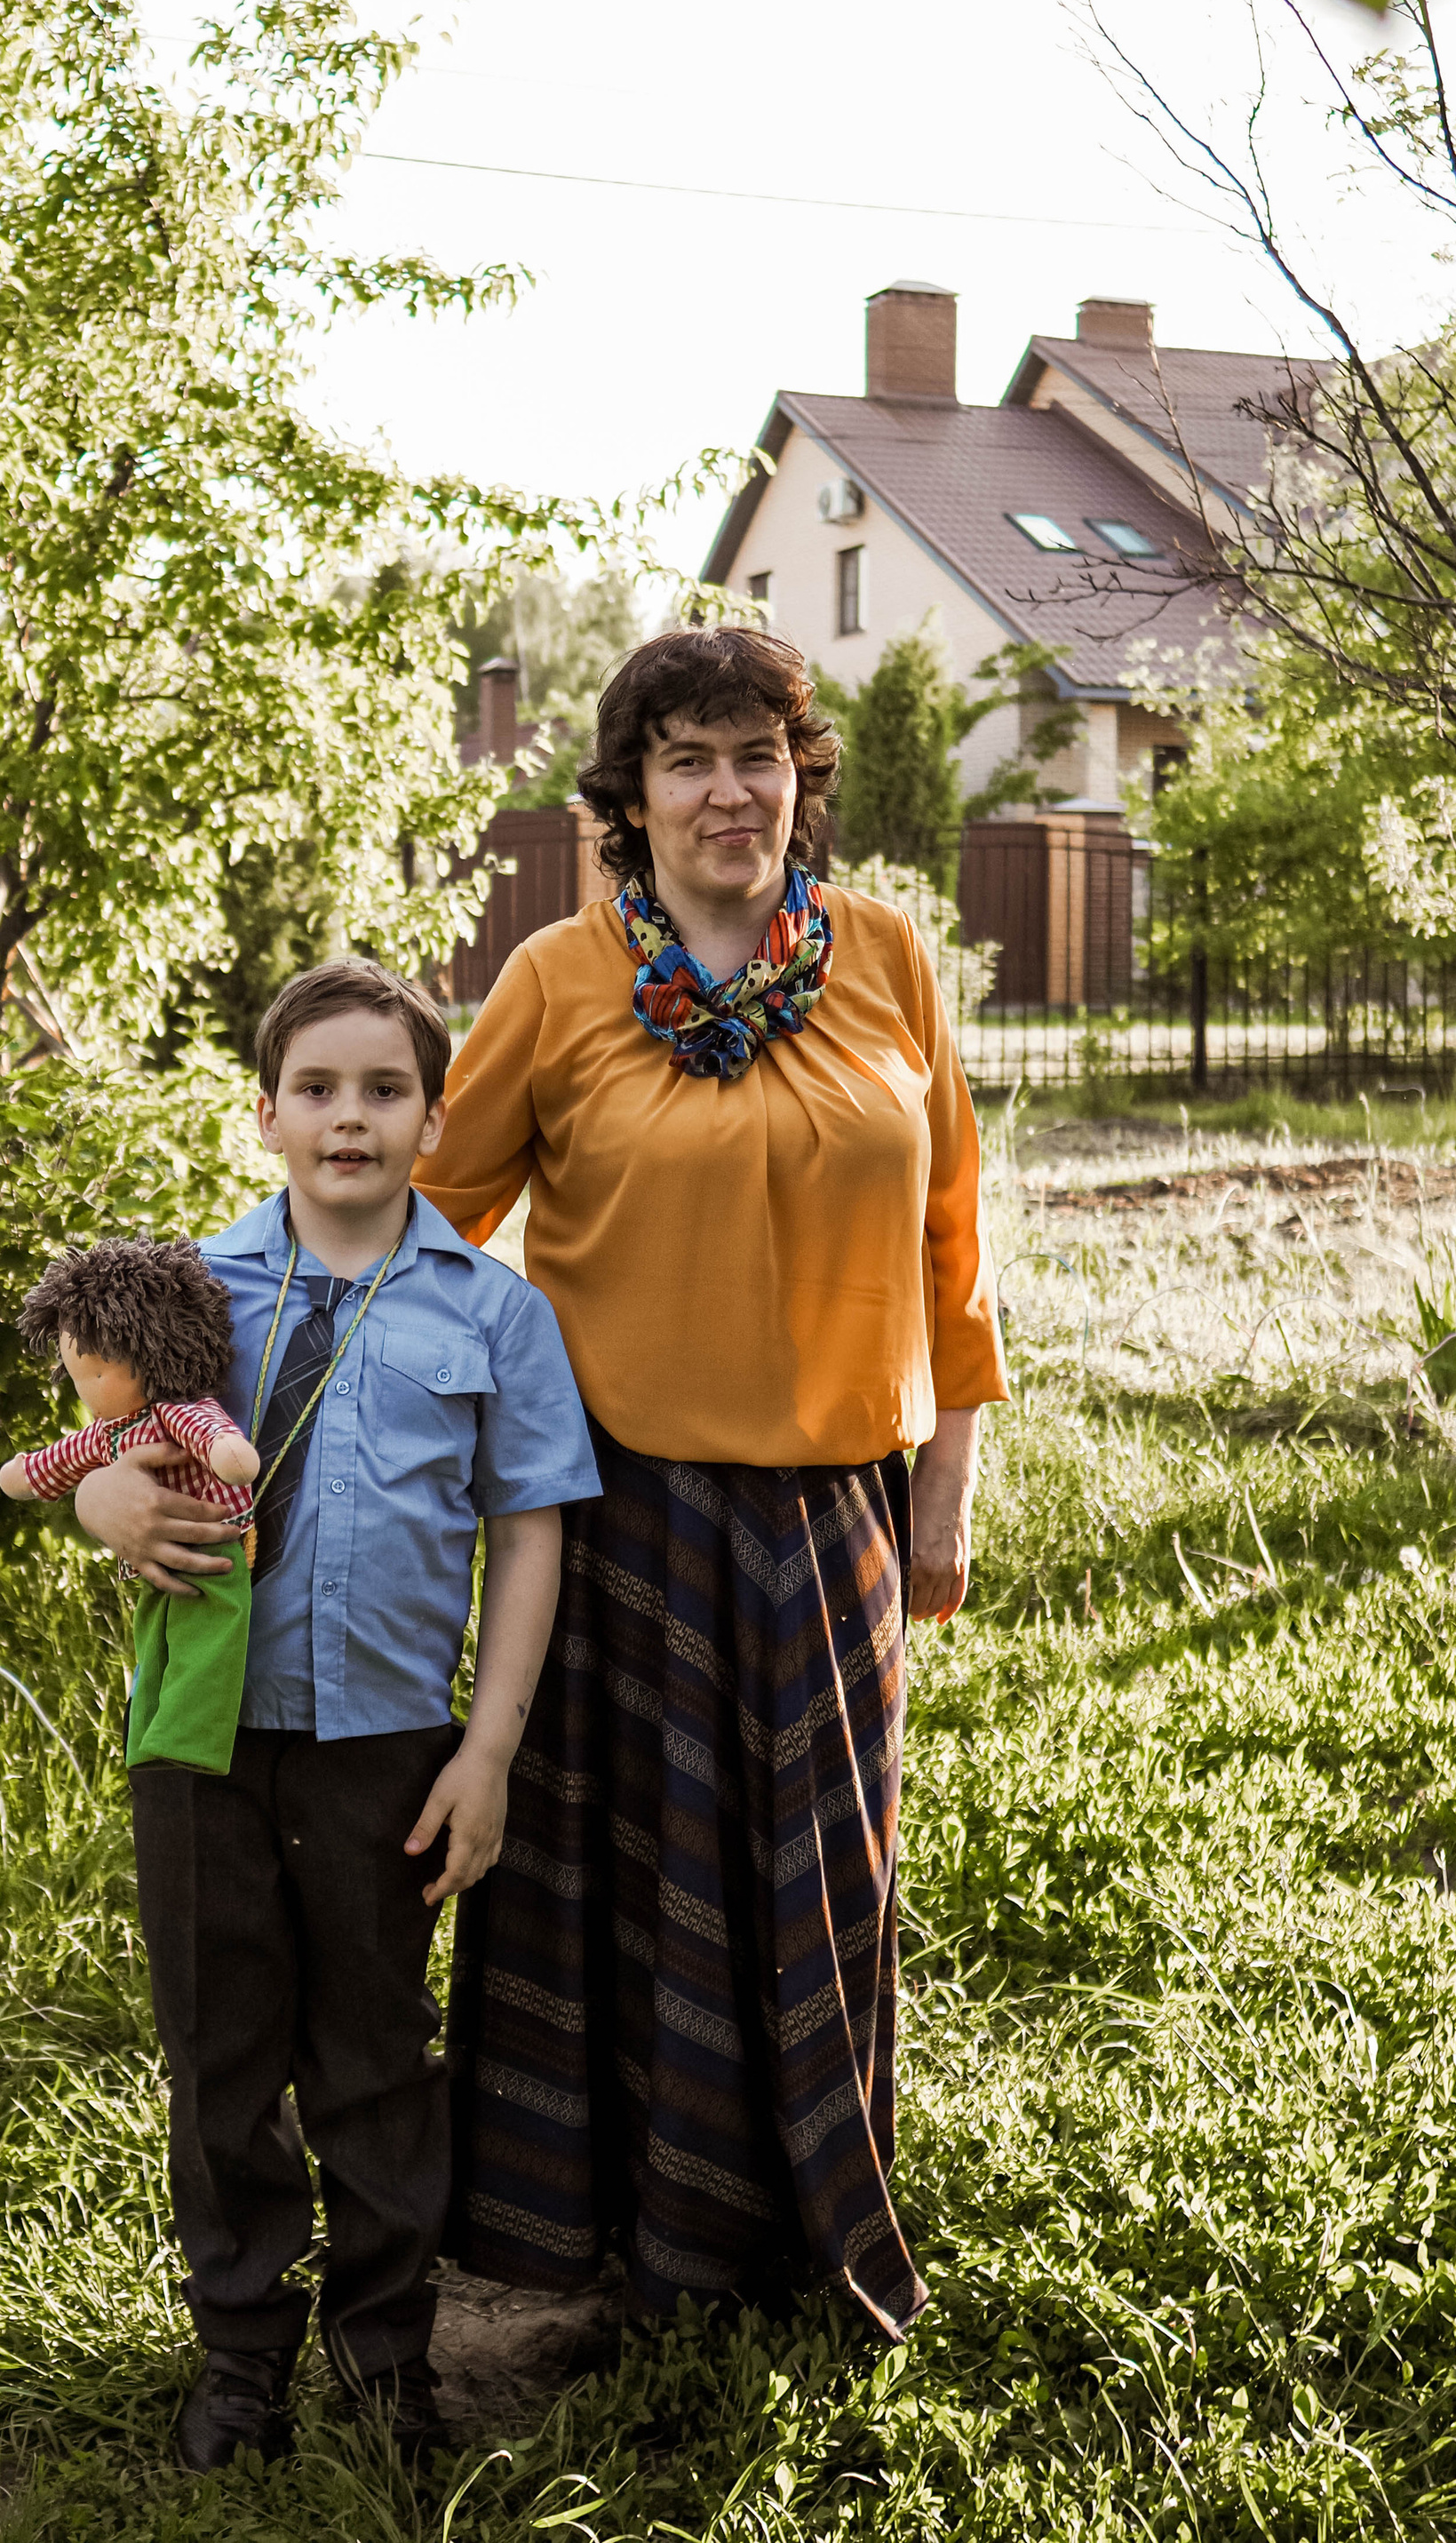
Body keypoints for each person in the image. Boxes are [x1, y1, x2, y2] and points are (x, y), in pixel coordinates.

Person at [417, 623, 1006, 2338]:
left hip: (838, 1518)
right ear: (632, 795)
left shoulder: (889, 960)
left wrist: (949, 1480)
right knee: (625, 1897)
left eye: (759, 752)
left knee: (815, 1888)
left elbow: (953, 1239)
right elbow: (427, 1217)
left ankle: (797, 2243)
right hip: (615, 1523)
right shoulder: (557, 979)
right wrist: (245, 1381)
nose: (729, 788)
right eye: (688, 757)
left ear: (801, 781)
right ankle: (608, 2256)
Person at [73, 959, 600, 2471]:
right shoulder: (185, 1295)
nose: (348, 1115)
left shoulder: (495, 1314)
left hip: (389, 1748)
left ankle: (385, 2355)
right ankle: (241, 2353)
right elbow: (91, 1445)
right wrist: (108, 1494)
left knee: (375, 2053)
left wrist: (486, 1746)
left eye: (383, 1089)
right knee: (221, 2052)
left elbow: (531, 1533)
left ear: (434, 1120)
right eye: (318, 1087)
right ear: (265, 1116)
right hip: (200, 1744)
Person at [0, 1235, 261, 1774]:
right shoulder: (107, 1433)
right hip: (152, 1558)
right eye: (81, 1376)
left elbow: (220, 1442)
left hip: (215, 1543)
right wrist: (25, 1476)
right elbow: (49, 1465)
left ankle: (190, 1741)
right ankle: (147, 1741)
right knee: (155, 1639)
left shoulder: (176, 1411)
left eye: (102, 1371)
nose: (91, 1389)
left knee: (210, 1637)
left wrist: (228, 1453)